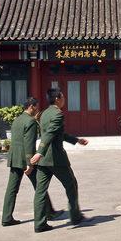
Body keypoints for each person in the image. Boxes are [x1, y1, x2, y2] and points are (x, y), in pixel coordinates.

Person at [28, 88, 88, 232]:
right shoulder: (58, 114)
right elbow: (49, 134)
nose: (64, 99)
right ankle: (75, 216)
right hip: (55, 159)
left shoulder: (44, 113)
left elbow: (58, 133)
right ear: (57, 99)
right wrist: (40, 152)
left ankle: (39, 224)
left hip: (43, 162)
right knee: (71, 184)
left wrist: (76, 140)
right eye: (63, 97)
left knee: (40, 191)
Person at [1, 97, 63, 226]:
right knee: (40, 186)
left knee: (12, 189)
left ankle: (6, 217)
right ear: (31, 106)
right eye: (36, 107)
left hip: (14, 157)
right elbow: (29, 144)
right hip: (26, 160)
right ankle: (49, 212)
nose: (38, 109)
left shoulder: (17, 120)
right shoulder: (30, 122)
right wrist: (30, 163)